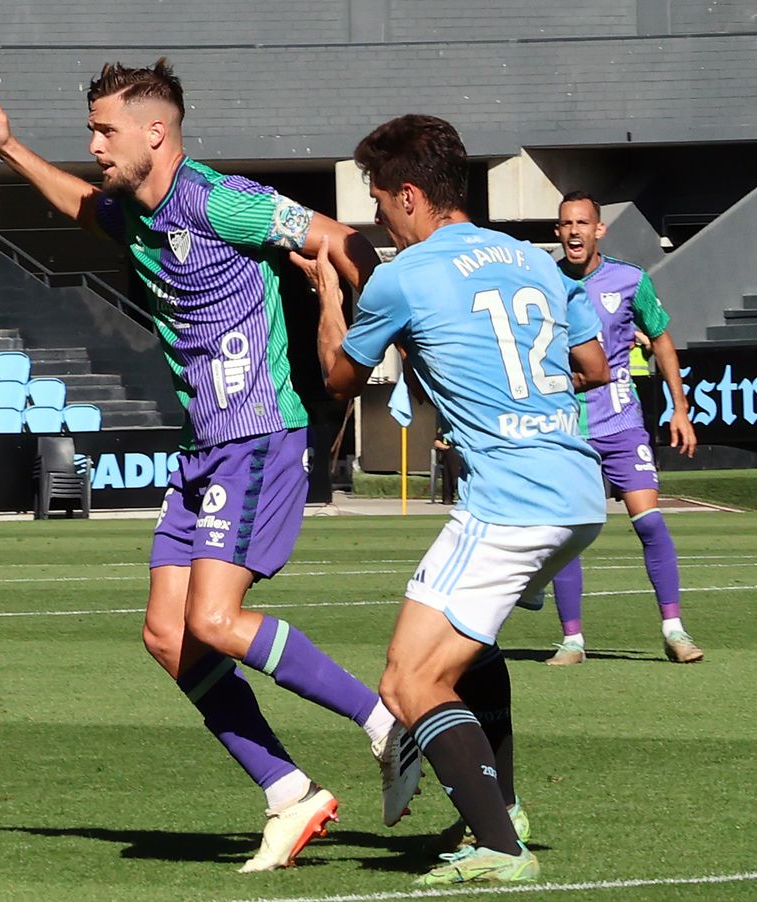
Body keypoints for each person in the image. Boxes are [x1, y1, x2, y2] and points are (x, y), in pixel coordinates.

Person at [0, 60, 422, 872]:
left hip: (257, 434)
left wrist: (379, 343)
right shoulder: (134, 210)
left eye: (105, 130)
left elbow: (343, 241)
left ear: (155, 133)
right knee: (169, 637)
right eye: (93, 129)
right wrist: (8, 148)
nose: (94, 143)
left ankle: (386, 724)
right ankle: (290, 792)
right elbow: (79, 204)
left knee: (213, 621)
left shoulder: (219, 200)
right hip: (203, 449)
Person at [292, 114, 610, 886]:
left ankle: (501, 847)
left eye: (379, 202)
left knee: (408, 680)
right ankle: (503, 807)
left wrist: (331, 291)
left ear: (410, 194)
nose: (375, 219)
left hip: (511, 498)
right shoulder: (536, 261)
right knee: (474, 650)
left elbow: (338, 378)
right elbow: (595, 367)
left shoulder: (406, 274)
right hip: (577, 487)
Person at [548, 191, 702, 665]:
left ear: (599, 230)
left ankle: (675, 631)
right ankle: (572, 640)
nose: (574, 231)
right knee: (568, 531)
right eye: (566, 224)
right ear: (558, 232)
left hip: (621, 420)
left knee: (650, 523)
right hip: (566, 424)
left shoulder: (631, 281)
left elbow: (661, 338)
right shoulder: (542, 282)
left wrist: (680, 407)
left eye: (582, 223)